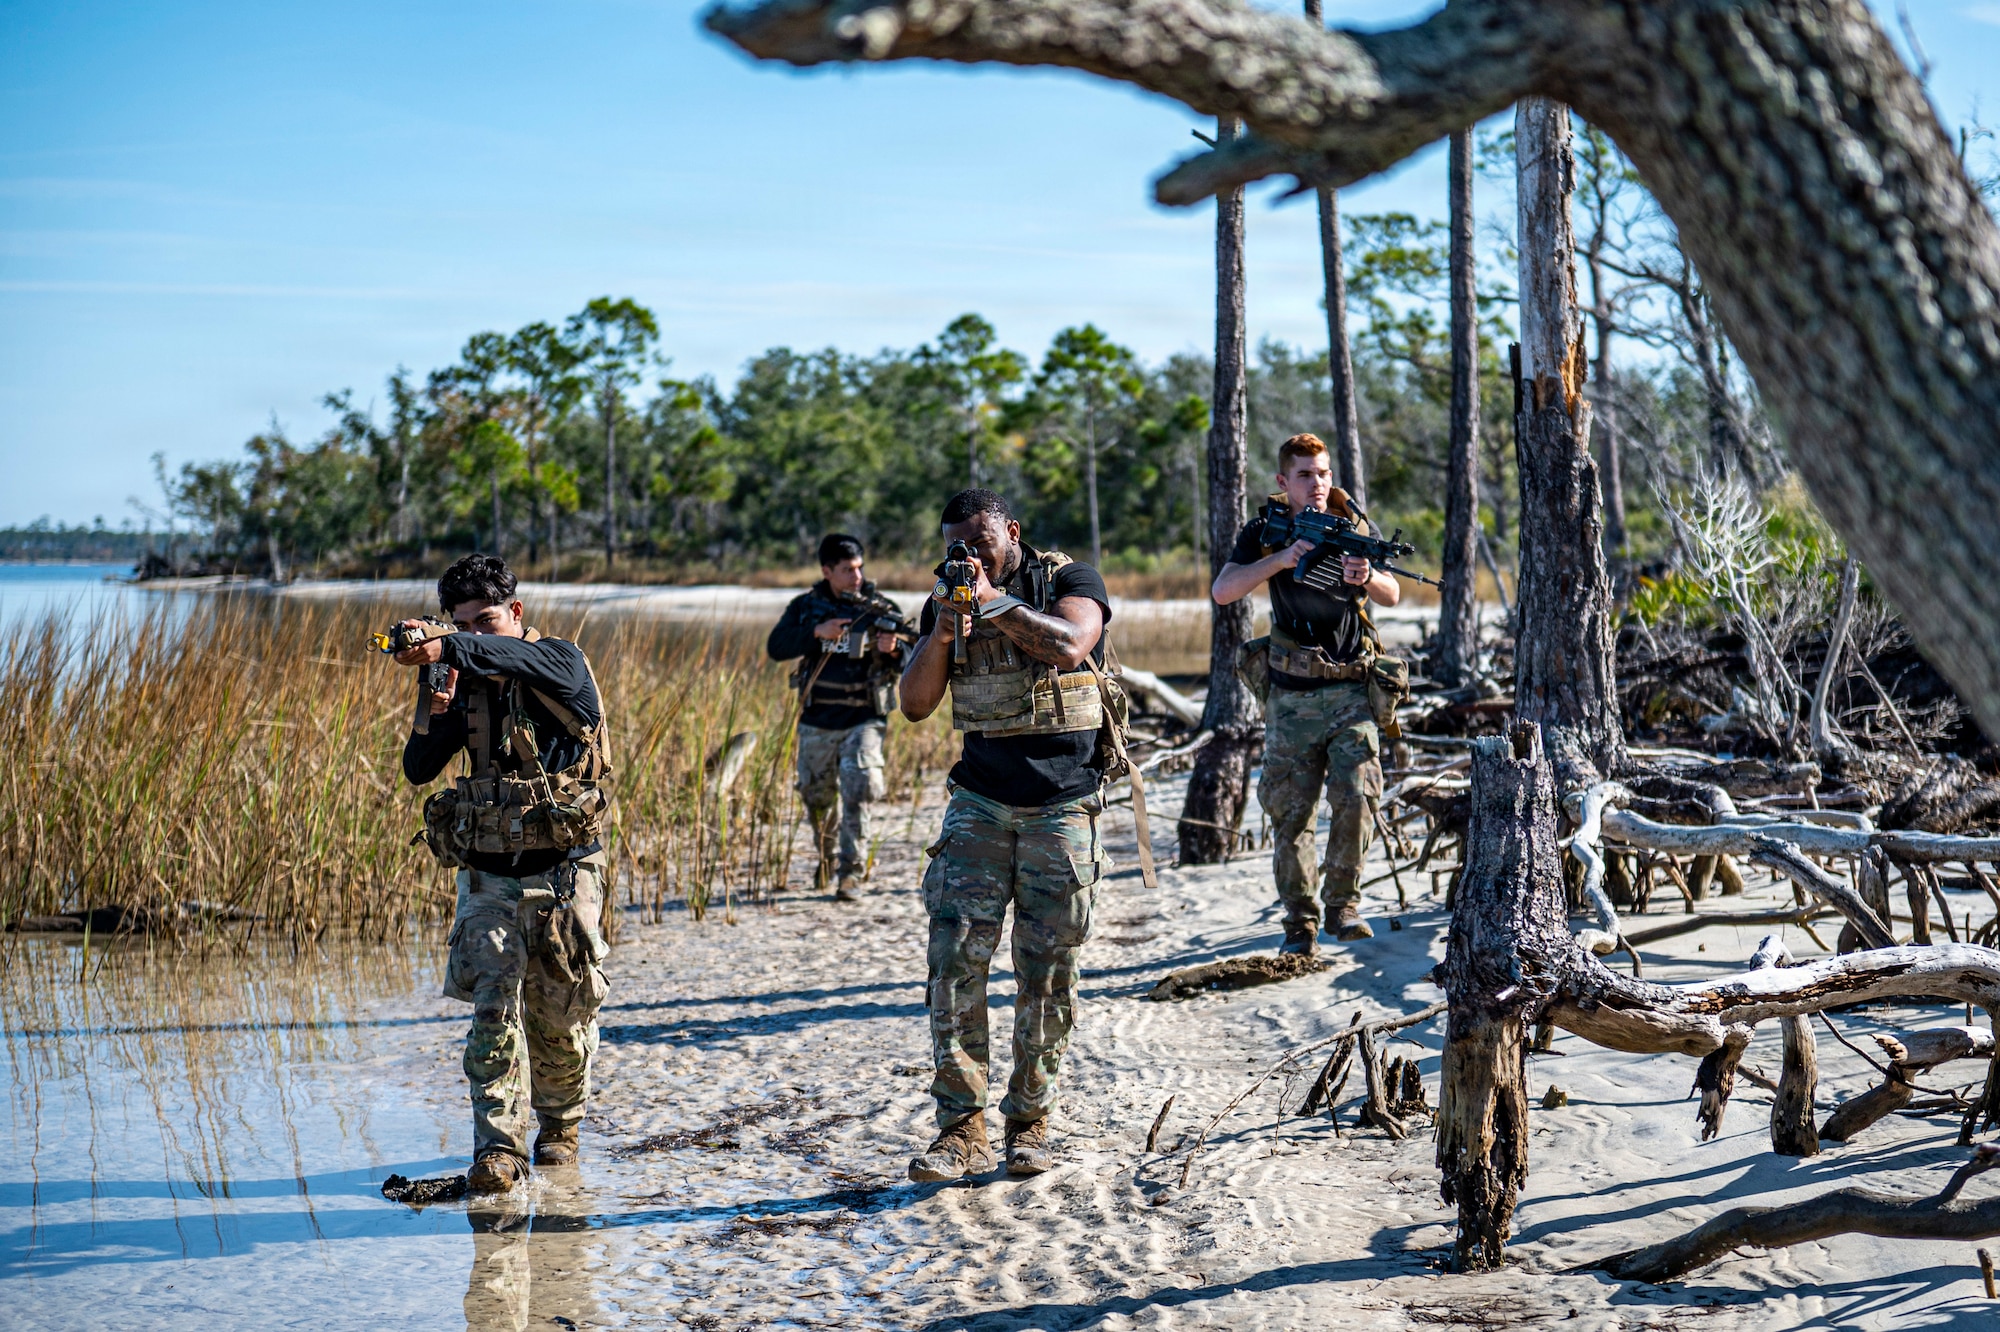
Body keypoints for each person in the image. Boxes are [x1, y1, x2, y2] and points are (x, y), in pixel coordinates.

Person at [897, 488, 1114, 1181]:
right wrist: (941, 632)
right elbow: (914, 704)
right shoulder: (946, 600)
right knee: (954, 962)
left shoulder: (1069, 580)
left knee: (1047, 973)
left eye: (980, 543)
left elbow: (1071, 644)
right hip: (981, 802)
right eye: (955, 547)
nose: (969, 557)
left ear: (1011, 532)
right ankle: (962, 1129)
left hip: (1062, 804)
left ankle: (1029, 1121)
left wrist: (992, 601)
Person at [393, 553, 614, 1194]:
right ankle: (497, 1151)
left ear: (516, 612)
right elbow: (418, 768)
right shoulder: (460, 677)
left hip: (564, 876)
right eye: (460, 624)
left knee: (561, 1021)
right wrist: (437, 702)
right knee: (492, 1016)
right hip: (487, 878)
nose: (475, 635)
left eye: (486, 620)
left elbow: (506, 656)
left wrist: (448, 644)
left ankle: (560, 1131)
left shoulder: (561, 661)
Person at [1212, 433, 1401, 955]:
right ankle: (1300, 921)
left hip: (1350, 690)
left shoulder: (1354, 526)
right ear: (1283, 480)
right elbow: (1224, 591)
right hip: (1291, 696)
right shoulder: (1264, 530)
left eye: (1322, 473)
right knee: (1291, 814)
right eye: (1304, 475)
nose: (1316, 483)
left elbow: (1393, 592)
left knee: (1358, 796)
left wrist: (1368, 577)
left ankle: (1343, 904)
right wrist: (1279, 560)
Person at [765, 533, 909, 901]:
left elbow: (915, 658)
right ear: (827, 571)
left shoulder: (880, 608)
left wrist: (894, 650)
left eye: (859, 568)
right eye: (847, 570)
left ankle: (851, 874)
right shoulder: (805, 608)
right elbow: (776, 646)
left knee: (860, 787)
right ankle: (827, 857)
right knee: (817, 797)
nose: (857, 577)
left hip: (865, 717)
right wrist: (816, 632)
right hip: (818, 719)